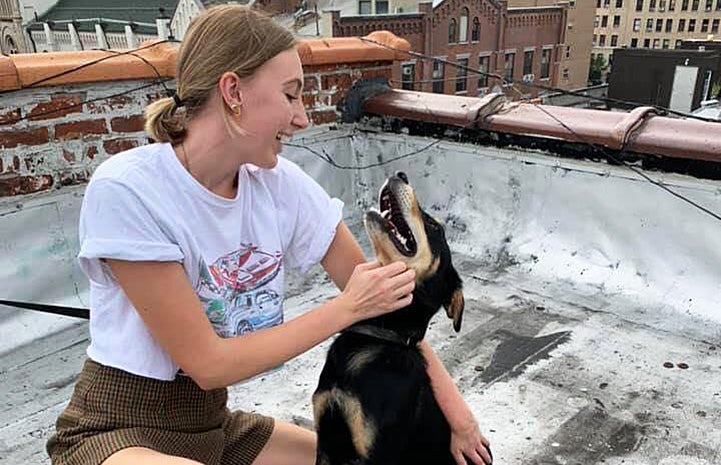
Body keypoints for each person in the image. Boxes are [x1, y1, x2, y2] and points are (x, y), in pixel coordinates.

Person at [45, 5, 492, 465]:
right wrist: (346, 308)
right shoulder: (130, 189)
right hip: (116, 432)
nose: (302, 118)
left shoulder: (281, 186)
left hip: (212, 429)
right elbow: (209, 365)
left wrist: (460, 420)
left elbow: (391, 311)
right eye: (291, 95)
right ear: (233, 91)